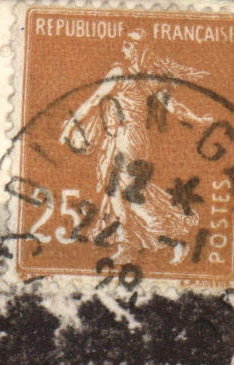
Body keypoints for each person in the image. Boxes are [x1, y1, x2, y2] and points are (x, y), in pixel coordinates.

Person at [60, 30, 215, 264]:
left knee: (129, 195)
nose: (124, 47)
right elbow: (173, 106)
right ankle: (126, 245)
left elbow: (94, 100)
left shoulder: (121, 73)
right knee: (115, 194)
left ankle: (173, 240)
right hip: (129, 137)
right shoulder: (147, 77)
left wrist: (70, 126)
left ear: (138, 49)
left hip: (127, 138)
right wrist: (197, 119)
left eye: (129, 44)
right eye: (125, 43)